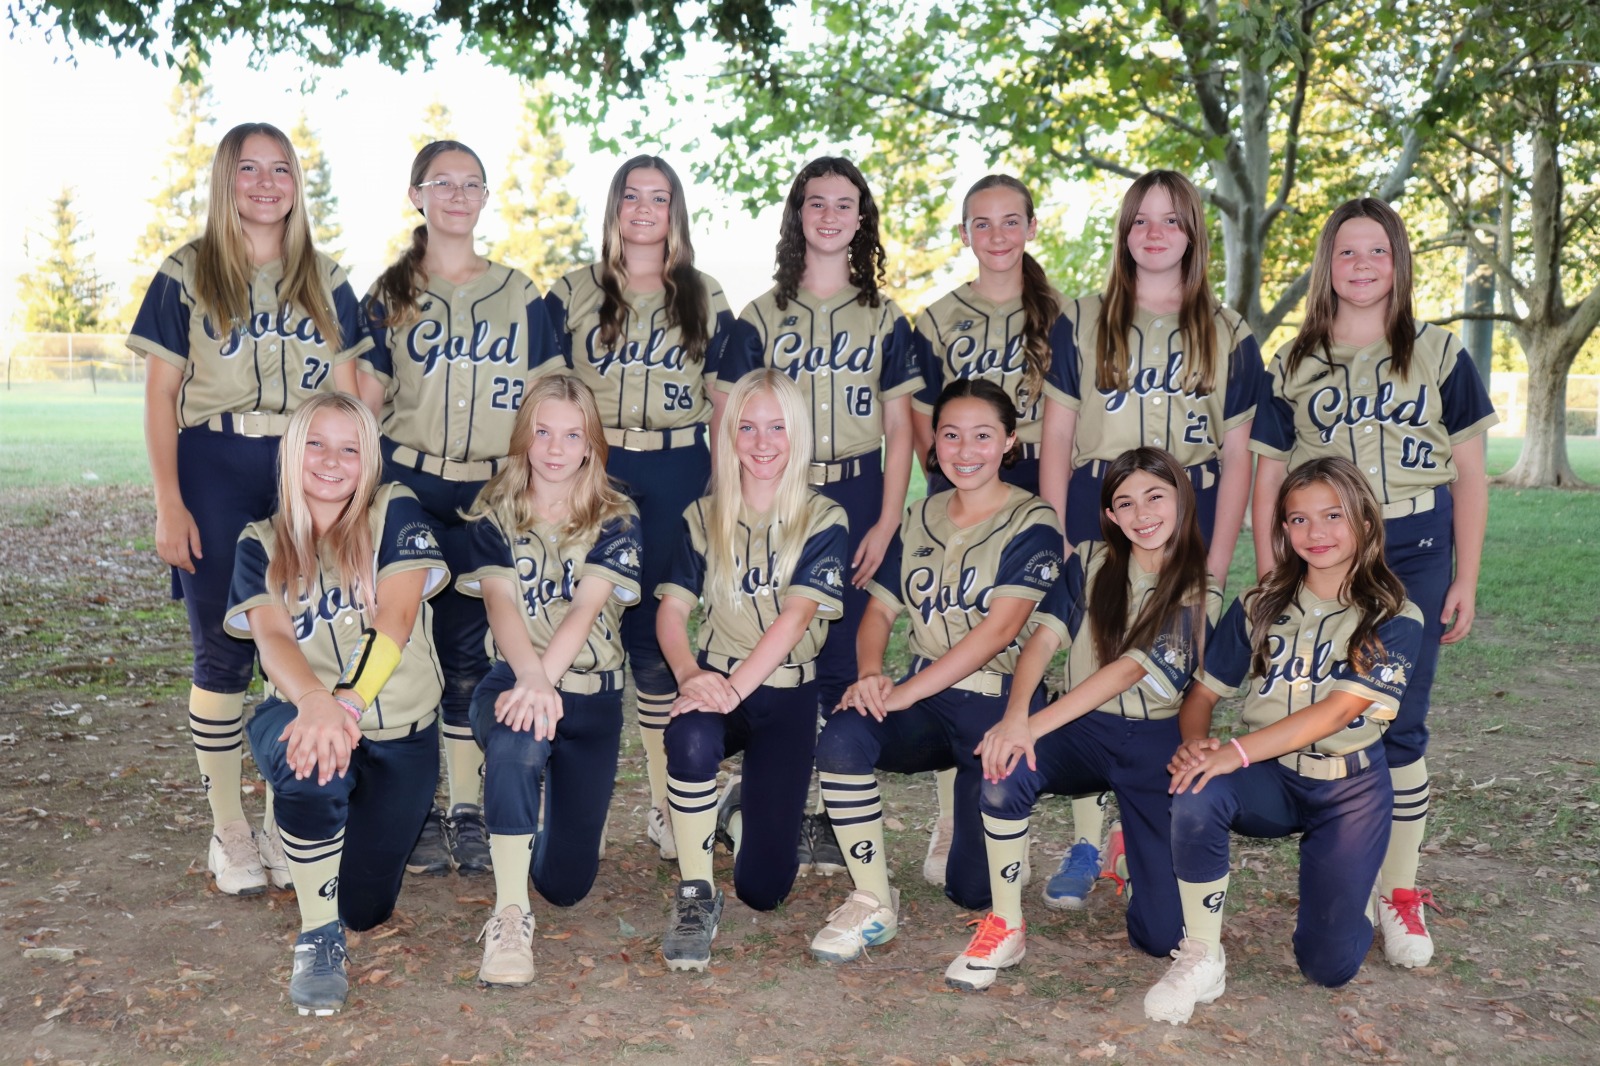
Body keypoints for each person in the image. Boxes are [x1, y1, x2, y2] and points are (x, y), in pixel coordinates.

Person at [1249, 198, 1496, 968]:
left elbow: (1470, 474)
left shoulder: (1441, 353)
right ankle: (1350, 874)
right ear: (1327, 264)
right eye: (1347, 251)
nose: (1362, 265)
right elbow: (1268, 476)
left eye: (1377, 251)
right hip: (1326, 554)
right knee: (1334, 711)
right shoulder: (1292, 362)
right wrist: (1270, 570)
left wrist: (1466, 575)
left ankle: (1400, 889)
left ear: (1399, 263)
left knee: (1401, 720)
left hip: (1415, 549)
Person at [130, 121, 364, 897]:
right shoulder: (188, 271)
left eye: (281, 169)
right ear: (224, 181)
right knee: (223, 650)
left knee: (298, 638)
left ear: (298, 184)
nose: (266, 184)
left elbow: (349, 394)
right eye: (249, 169)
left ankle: (279, 812)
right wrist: (169, 501)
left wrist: (356, 491)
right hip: (215, 464)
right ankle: (228, 825)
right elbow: (160, 396)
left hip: (306, 467)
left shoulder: (326, 278)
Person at [1036, 169, 1264, 908]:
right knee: (1090, 659)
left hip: (1187, 508)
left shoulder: (1227, 330)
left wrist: (1218, 557)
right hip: (1100, 505)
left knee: (1166, 675)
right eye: (1141, 220)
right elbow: (1058, 434)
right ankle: (1083, 841)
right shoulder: (1084, 316)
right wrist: (1058, 535)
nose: (1155, 233)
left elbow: (1238, 454)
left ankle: (1138, 831)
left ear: (1193, 234)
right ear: (1125, 233)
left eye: (1171, 220)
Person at [1144, 457, 1423, 1025]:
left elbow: (1338, 711)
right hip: (1273, 775)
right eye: (1298, 519)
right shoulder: (1261, 603)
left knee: (1327, 967)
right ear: (1283, 528)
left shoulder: (1395, 614)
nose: (1315, 532)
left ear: (1365, 519)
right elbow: (1201, 694)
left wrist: (1235, 752)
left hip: (1349, 788)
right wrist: (1197, 745)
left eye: (1333, 515)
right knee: (1198, 790)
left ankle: (1360, 894)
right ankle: (1203, 954)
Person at [355, 140, 562, 877]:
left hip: (488, 490)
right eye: (442, 182)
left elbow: (546, 401)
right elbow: (364, 405)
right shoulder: (389, 292)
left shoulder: (518, 292)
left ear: (484, 198)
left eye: (471, 183)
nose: (457, 195)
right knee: (403, 643)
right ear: (417, 195)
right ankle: (410, 810)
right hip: (409, 482)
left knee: (471, 652)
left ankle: (467, 810)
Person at [809, 379, 1062, 965]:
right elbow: (878, 611)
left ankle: (994, 823)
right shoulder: (919, 515)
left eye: (982, 435)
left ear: (1009, 441)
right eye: (951, 435)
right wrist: (872, 674)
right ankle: (873, 900)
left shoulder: (1034, 520)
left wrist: (901, 695)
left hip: (995, 706)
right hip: (927, 701)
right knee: (843, 736)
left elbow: (999, 631)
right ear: (935, 442)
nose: (965, 450)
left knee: (970, 890)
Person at [718, 159, 920, 874]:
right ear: (796, 215)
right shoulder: (758, 315)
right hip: (781, 492)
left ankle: (837, 813)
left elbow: (900, 428)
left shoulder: (885, 316)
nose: (830, 216)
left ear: (862, 218)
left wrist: (887, 521)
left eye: (844, 204)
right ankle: (767, 801)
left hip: (859, 490)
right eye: (816, 203)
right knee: (778, 639)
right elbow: (731, 421)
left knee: (843, 653)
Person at [956, 447, 1220, 990]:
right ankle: (1005, 923)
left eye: (1155, 497)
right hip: (1081, 728)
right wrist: (1016, 717)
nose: (1141, 514)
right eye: (1125, 503)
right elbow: (1041, 641)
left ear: (1182, 499)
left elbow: (1129, 670)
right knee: (1005, 770)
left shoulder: (1202, 586)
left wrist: (1034, 725)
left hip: (1155, 740)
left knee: (1160, 937)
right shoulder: (1091, 559)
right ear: (1110, 515)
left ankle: (1129, 854)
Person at [226, 394, 449, 1016]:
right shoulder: (259, 540)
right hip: (300, 715)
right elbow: (272, 637)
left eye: (350, 448)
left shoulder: (394, 508)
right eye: (316, 444)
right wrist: (317, 704)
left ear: (369, 459)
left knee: (366, 909)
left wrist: (345, 704)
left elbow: (396, 615)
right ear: (291, 452)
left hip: (397, 729)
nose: (331, 461)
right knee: (313, 766)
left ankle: (313, 846)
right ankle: (318, 937)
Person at [545, 155, 736, 862]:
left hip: (678, 463)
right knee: (578, 626)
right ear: (615, 207)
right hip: (594, 467)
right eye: (633, 196)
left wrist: (721, 491)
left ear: (675, 211)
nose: (645, 209)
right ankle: (570, 804)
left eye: (660, 197)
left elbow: (724, 403)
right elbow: (549, 395)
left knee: (658, 638)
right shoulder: (573, 291)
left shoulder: (705, 294)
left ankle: (665, 803)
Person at [654, 369, 849, 972]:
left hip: (785, 694)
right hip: (717, 678)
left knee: (765, 891)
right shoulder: (702, 514)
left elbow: (795, 618)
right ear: (728, 434)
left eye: (777, 427)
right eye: (747, 427)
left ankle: (737, 811)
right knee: (690, 737)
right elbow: (671, 611)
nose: (762, 443)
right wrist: (690, 676)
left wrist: (732, 691)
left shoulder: (824, 516)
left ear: (799, 434)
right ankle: (695, 893)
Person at [910, 174, 1073, 884]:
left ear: (1032, 227)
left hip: (1045, 477)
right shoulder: (937, 318)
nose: (998, 235)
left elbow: (1073, 416)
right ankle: (953, 814)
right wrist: (949, 481)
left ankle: (1045, 819)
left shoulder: (1064, 315)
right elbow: (924, 419)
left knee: (1050, 643)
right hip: (966, 482)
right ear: (964, 233)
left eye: (1012, 221)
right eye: (982, 222)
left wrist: (1059, 515)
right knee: (957, 633)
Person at [454, 374, 643, 986]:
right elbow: (500, 603)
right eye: (542, 432)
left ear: (591, 445)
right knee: (517, 741)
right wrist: (532, 680)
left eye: (572, 435)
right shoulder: (494, 510)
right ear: (523, 437)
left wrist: (546, 682)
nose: (556, 448)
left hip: (592, 698)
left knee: (566, 885)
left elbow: (586, 607)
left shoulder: (617, 515)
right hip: (513, 682)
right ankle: (510, 914)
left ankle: (532, 826)